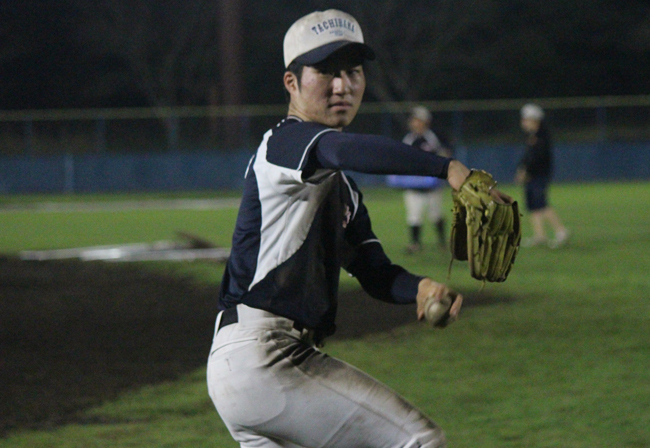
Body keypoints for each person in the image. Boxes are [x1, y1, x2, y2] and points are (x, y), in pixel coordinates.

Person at [207, 9, 507, 448]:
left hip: (251, 367)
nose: (342, 85)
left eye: (352, 71)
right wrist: (447, 168)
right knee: (420, 440)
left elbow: (373, 270)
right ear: (291, 83)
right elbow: (343, 149)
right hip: (266, 357)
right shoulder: (285, 142)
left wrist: (419, 287)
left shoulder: (341, 188)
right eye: (325, 71)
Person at [387, 106, 451, 253]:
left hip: (432, 185)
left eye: (417, 120)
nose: (414, 123)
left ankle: (442, 242)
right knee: (414, 216)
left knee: (436, 214)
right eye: (413, 120)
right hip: (413, 185)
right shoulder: (409, 139)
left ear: (425, 121)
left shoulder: (433, 137)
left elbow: (445, 154)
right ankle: (415, 244)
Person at [515, 103, 569, 248]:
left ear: (535, 120)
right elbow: (527, 157)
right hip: (532, 175)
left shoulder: (542, 136)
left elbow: (538, 158)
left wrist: (527, 171)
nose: (523, 122)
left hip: (539, 175)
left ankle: (561, 231)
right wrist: (522, 169)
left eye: (526, 119)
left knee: (541, 203)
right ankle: (540, 236)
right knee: (533, 205)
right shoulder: (531, 136)